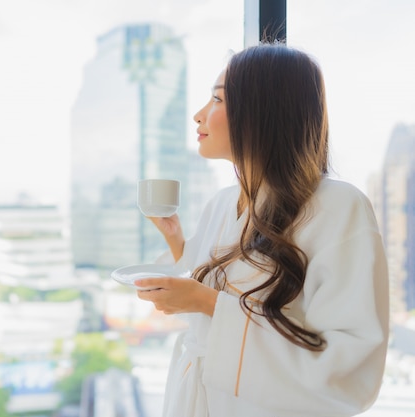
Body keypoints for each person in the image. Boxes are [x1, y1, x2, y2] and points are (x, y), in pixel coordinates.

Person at [134, 42, 390, 417]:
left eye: (217, 100)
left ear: (262, 111)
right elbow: (210, 289)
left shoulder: (339, 207)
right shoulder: (222, 203)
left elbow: (349, 370)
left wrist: (206, 303)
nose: (198, 115)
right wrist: (175, 240)